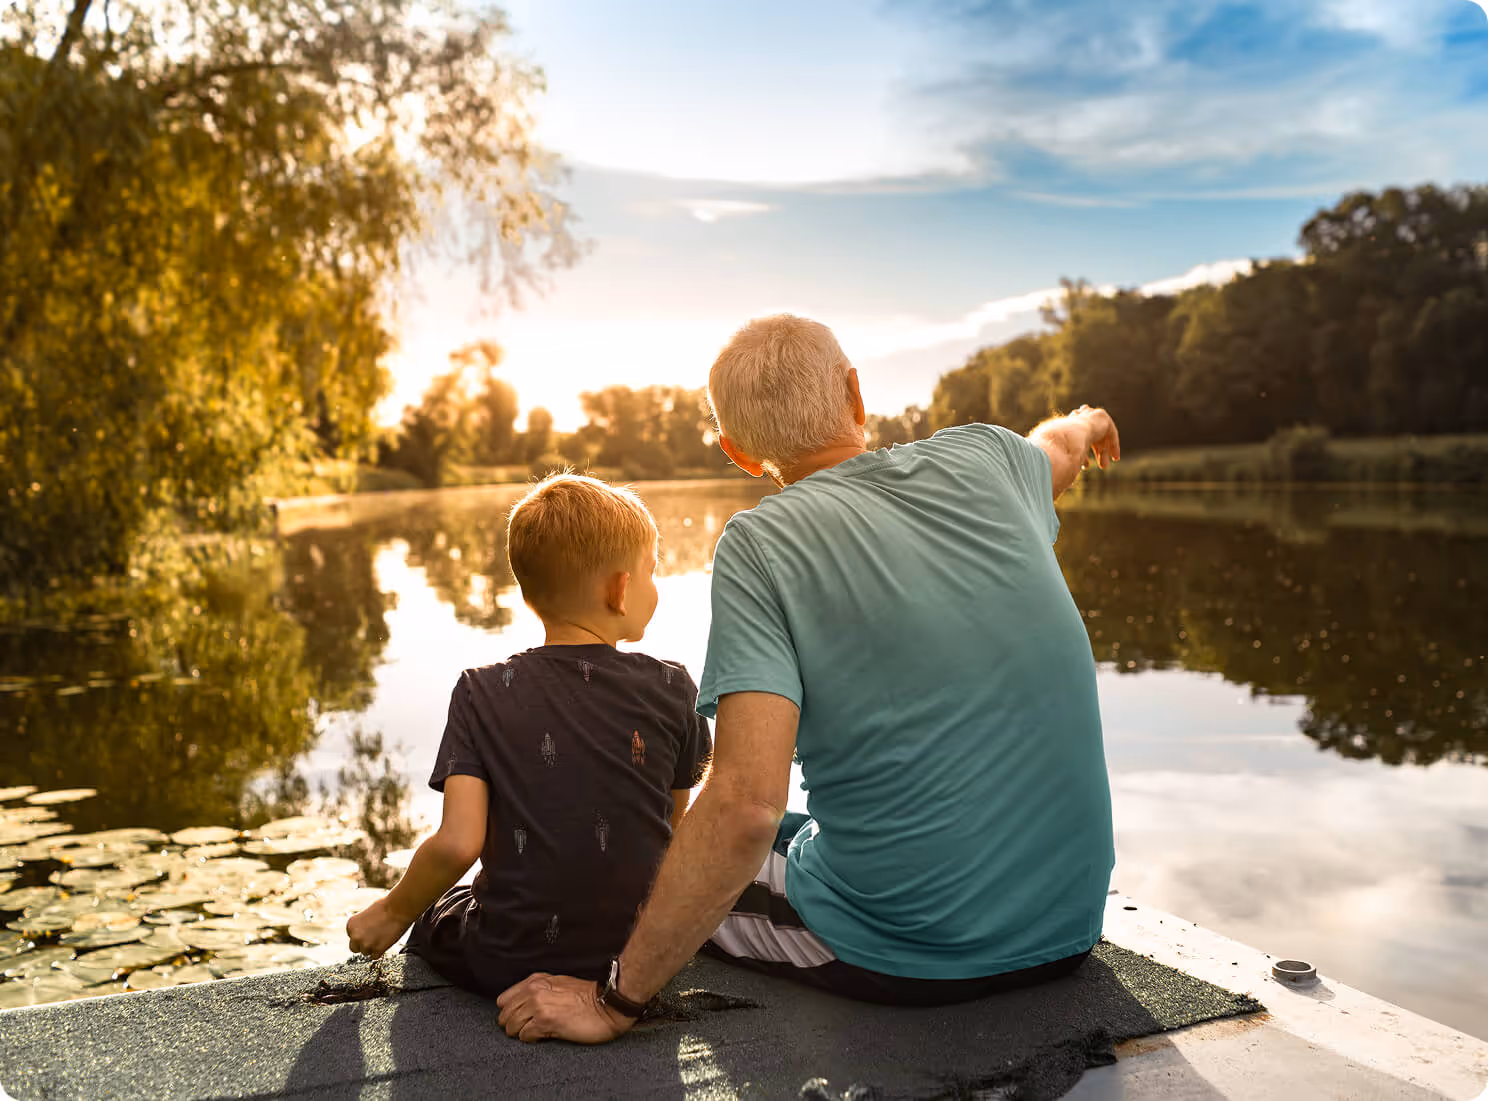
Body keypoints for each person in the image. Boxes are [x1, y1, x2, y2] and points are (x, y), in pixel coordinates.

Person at [496, 315, 1122, 1043]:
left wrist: (615, 1002)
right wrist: (1088, 418)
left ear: (736, 451)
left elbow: (745, 804)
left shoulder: (762, 545)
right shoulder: (989, 454)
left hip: (913, 951)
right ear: (856, 395)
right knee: (742, 840)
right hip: (1071, 921)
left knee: (649, 858)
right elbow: (1059, 446)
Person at [345, 473, 713, 1000]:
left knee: (434, 914)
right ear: (620, 589)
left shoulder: (480, 692)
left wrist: (393, 912)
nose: (657, 586)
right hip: (641, 957)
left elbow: (458, 844)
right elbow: (675, 831)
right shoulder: (675, 687)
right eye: (653, 571)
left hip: (506, 959)